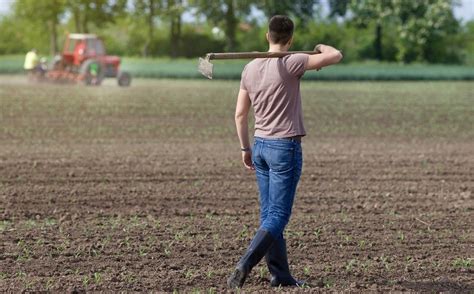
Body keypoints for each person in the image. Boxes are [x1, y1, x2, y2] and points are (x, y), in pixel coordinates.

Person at [228, 15, 343, 289]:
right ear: (290, 39)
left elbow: (240, 114)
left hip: (260, 146)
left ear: (267, 36)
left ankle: (280, 276)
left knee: (269, 214)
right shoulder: (293, 61)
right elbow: (336, 55)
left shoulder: (250, 68)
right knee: (278, 215)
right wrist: (319, 46)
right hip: (284, 147)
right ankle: (245, 263)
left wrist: (245, 147)